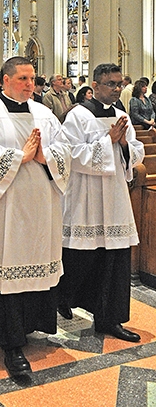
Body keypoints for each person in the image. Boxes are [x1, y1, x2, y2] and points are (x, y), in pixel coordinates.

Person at [0, 57, 70, 377]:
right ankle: (9, 342)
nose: (29, 85)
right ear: (5, 80)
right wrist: (18, 157)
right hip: (2, 207)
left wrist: (44, 156)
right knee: (4, 265)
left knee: (33, 260)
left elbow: (64, 151)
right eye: (23, 78)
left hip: (39, 205)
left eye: (32, 79)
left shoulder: (45, 113)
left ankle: (33, 325)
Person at [58, 63, 144, 342]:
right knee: (82, 256)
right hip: (86, 196)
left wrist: (121, 145)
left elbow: (137, 151)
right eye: (110, 84)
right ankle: (64, 298)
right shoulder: (78, 116)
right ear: (95, 86)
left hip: (115, 195)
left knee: (115, 260)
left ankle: (110, 320)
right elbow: (71, 154)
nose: (117, 89)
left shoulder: (121, 115)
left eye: (119, 83)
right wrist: (108, 141)